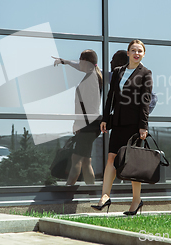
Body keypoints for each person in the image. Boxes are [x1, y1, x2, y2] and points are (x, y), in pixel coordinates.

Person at [91, 40, 153, 215]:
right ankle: (105, 196)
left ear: (143, 54)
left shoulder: (146, 74)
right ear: (128, 52)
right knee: (111, 158)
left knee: (133, 164)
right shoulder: (118, 72)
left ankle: (136, 200)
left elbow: (145, 102)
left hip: (134, 125)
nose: (136, 53)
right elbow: (110, 96)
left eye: (140, 51)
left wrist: (143, 126)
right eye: (133, 50)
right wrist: (105, 118)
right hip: (117, 122)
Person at [52, 50, 103, 185]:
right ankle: (92, 192)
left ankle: (67, 195)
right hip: (92, 124)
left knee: (76, 160)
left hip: (87, 124)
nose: (79, 62)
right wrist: (66, 62)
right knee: (86, 161)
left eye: (81, 59)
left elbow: (82, 105)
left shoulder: (90, 78)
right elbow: (79, 66)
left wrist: (77, 123)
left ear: (86, 61)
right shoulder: (95, 73)